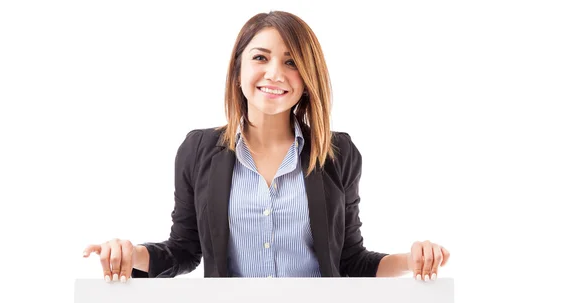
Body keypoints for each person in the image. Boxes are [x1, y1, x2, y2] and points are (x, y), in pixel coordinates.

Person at [83, 10, 450, 282]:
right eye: (260, 57)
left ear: (307, 79)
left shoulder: (337, 154)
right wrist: (132, 255)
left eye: (291, 62)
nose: (274, 73)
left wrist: (410, 260)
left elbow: (350, 261)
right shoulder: (198, 150)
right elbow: (184, 249)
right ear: (238, 70)